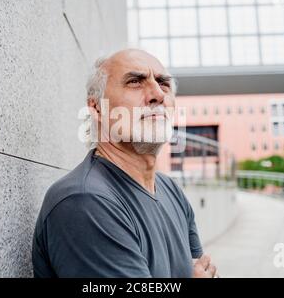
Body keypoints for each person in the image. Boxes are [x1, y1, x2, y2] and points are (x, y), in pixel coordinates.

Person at [32, 49, 218, 278]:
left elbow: (199, 268)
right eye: (135, 82)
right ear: (97, 108)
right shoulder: (85, 201)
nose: (157, 95)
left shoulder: (171, 190)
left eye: (163, 83)